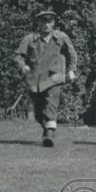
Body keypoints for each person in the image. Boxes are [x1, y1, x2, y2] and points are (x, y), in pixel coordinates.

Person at [14, 10, 78, 147]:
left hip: (54, 77)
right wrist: (22, 66)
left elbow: (72, 54)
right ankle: (47, 129)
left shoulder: (61, 37)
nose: (46, 25)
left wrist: (71, 70)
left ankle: (49, 133)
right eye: (43, 22)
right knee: (38, 112)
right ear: (38, 23)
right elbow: (18, 56)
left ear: (54, 23)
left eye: (49, 22)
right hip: (35, 80)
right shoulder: (30, 39)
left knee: (51, 102)